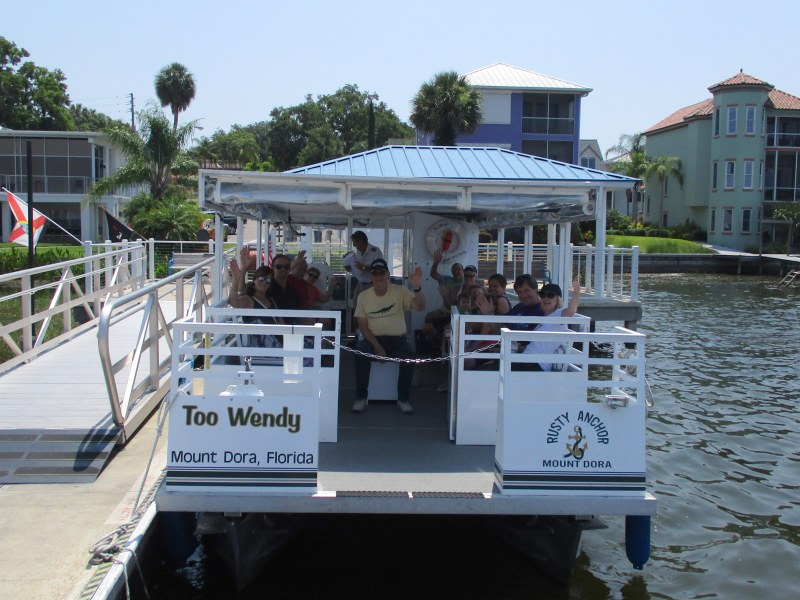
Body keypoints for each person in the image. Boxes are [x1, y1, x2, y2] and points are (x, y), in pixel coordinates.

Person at [352, 259, 426, 414]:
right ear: (371, 277)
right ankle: (360, 398)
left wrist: (417, 287)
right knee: (360, 354)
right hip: (372, 339)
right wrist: (378, 347)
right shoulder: (363, 296)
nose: (378, 277)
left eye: (382, 273)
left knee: (409, 355)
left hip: (397, 339)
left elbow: (420, 306)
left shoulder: (400, 291)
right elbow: (362, 326)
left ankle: (403, 399)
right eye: (375, 274)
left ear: (388, 275)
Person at [522, 279, 581, 371]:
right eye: (542, 295)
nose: (546, 298)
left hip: (537, 364)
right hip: (526, 359)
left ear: (558, 299)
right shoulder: (544, 319)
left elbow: (571, 311)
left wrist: (576, 291)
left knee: (500, 365)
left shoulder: (558, 314)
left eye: (550, 295)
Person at [228, 250, 282, 351]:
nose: (264, 283)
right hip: (262, 349)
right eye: (261, 279)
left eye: (268, 281)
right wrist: (236, 280)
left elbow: (282, 324)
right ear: (254, 280)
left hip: (278, 345)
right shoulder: (248, 300)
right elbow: (234, 302)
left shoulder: (271, 300)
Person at [347, 230, 383, 297]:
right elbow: (357, 270)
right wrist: (351, 269)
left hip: (372, 285)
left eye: (355, 243)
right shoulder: (358, 253)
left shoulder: (375, 252)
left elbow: (380, 270)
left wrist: (364, 267)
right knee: (357, 303)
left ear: (361, 242)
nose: (354, 245)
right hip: (359, 285)